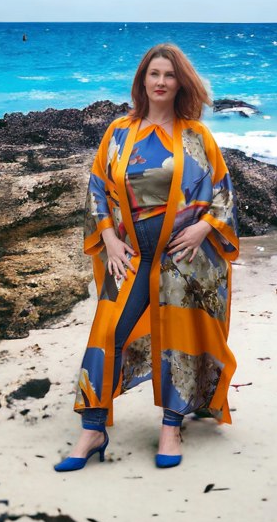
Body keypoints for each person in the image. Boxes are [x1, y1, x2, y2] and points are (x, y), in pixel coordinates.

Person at [54, 43, 239, 472]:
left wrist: (204, 227)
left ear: (181, 83)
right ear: (142, 81)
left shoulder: (196, 135)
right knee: (108, 331)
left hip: (183, 256)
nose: (160, 82)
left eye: (169, 76)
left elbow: (223, 191)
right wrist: (108, 237)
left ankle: (171, 426)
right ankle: (93, 429)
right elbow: (98, 185)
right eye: (153, 74)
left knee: (179, 337)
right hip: (131, 254)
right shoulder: (120, 131)